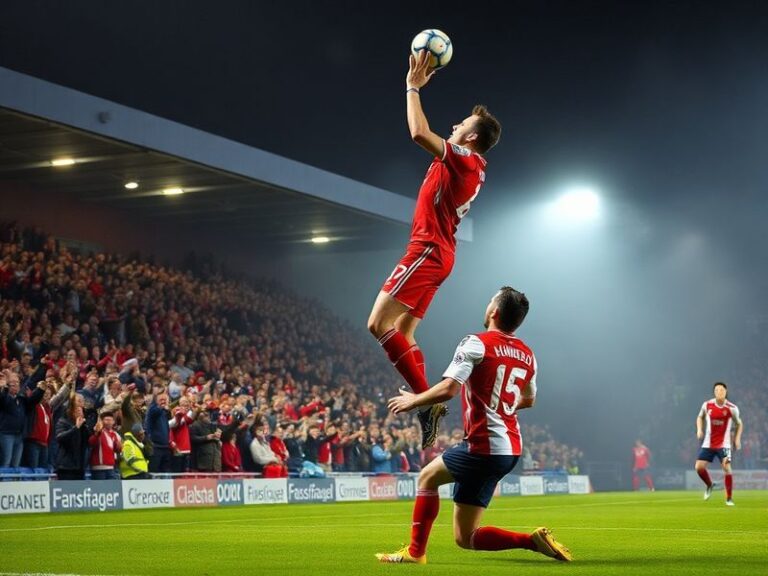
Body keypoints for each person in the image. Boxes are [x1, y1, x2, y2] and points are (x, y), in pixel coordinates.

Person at [366, 50, 502, 450]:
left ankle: (427, 403)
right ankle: (429, 403)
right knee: (405, 332)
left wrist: (412, 86)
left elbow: (418, 133)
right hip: (439, 253)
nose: (456, 124)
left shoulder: (467, 160)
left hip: (427, 250)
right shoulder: (466, 164)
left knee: (378, 325)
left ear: (472, 137)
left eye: (463, 123)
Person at [376, 287, 571, 564]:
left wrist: (415, 400)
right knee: (465, 537)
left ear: (494, 311)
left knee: (427, 477)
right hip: (509, 449)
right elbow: (529, 400)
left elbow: (448, 389)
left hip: (484, 447)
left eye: (490, 300)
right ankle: (532, 541)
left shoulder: (476, 343)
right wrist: (500, 406)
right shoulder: (528, 355)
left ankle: (415, 552)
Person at [695, 382, 743, 506]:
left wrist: (737, 439)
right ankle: (710, 485)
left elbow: (739, 424)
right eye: (717, 390)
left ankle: (729, 498)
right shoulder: (707, 405)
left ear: (726, 392)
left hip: (724, 445)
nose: (719, 392)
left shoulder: (732, 408)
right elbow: (699, 417)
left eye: (722, 390)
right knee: (698, 468)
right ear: (714, 392)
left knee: (727, 468)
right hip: (708, 443)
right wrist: (699, 429)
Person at [88, 412, 122, 480]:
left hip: (111, 468)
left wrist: (119, 447)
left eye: (110, 420)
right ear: (102, 421)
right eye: (106, 420)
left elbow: (117, 449)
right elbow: (91, 442)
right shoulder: (97, 430)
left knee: (111, 489)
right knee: (100, 489)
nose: (108, 422)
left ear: (113, 422)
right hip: (98, 468)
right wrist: (97, 433)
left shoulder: (115, 434)